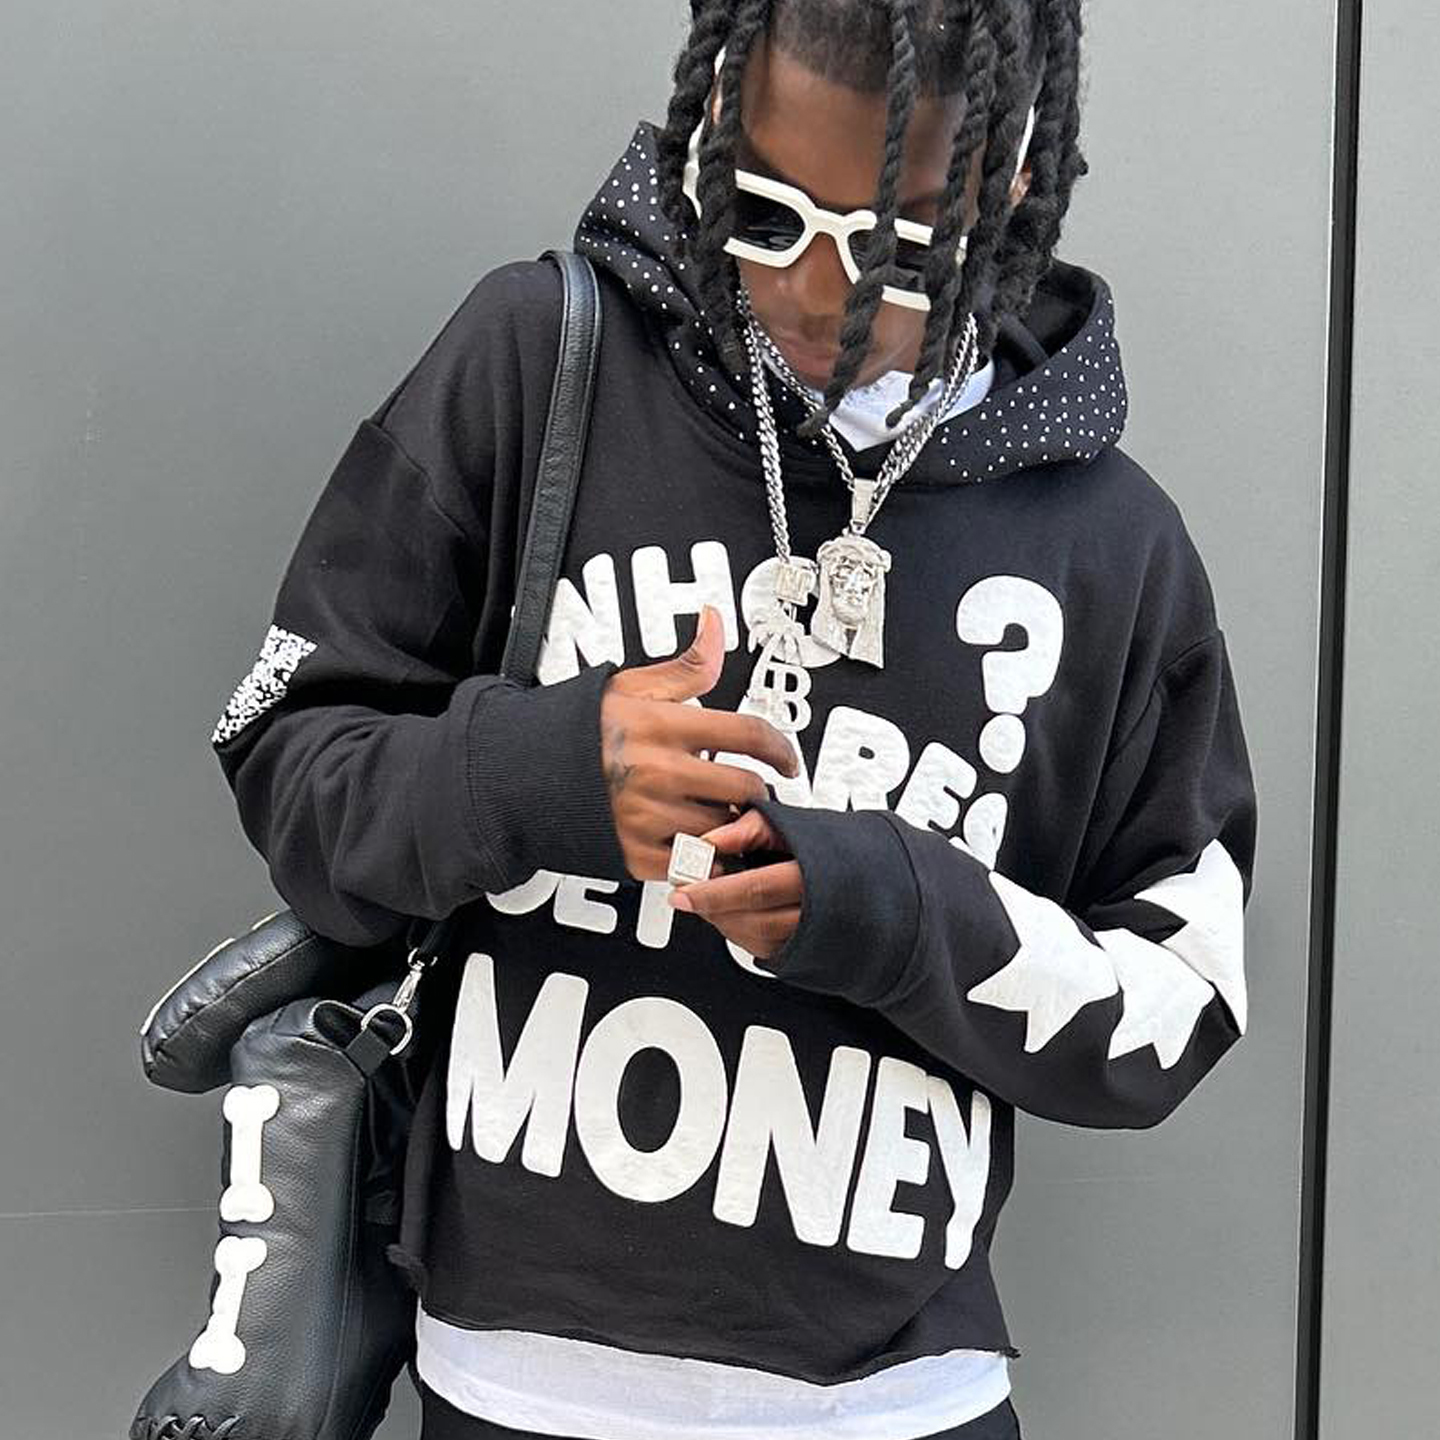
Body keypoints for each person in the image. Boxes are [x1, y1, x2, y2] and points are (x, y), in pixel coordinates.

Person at [209, 2, 1258, 1437]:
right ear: (712, 125)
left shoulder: (1110, 546)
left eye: (898, 247)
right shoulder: (539, 365)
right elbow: (290, 760)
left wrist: (899, 913)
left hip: (902, 1408)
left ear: (1007, 179)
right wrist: (544, 774)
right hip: (517, 1392)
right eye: (768, 215)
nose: (821, 295)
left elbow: (1178, 1006)